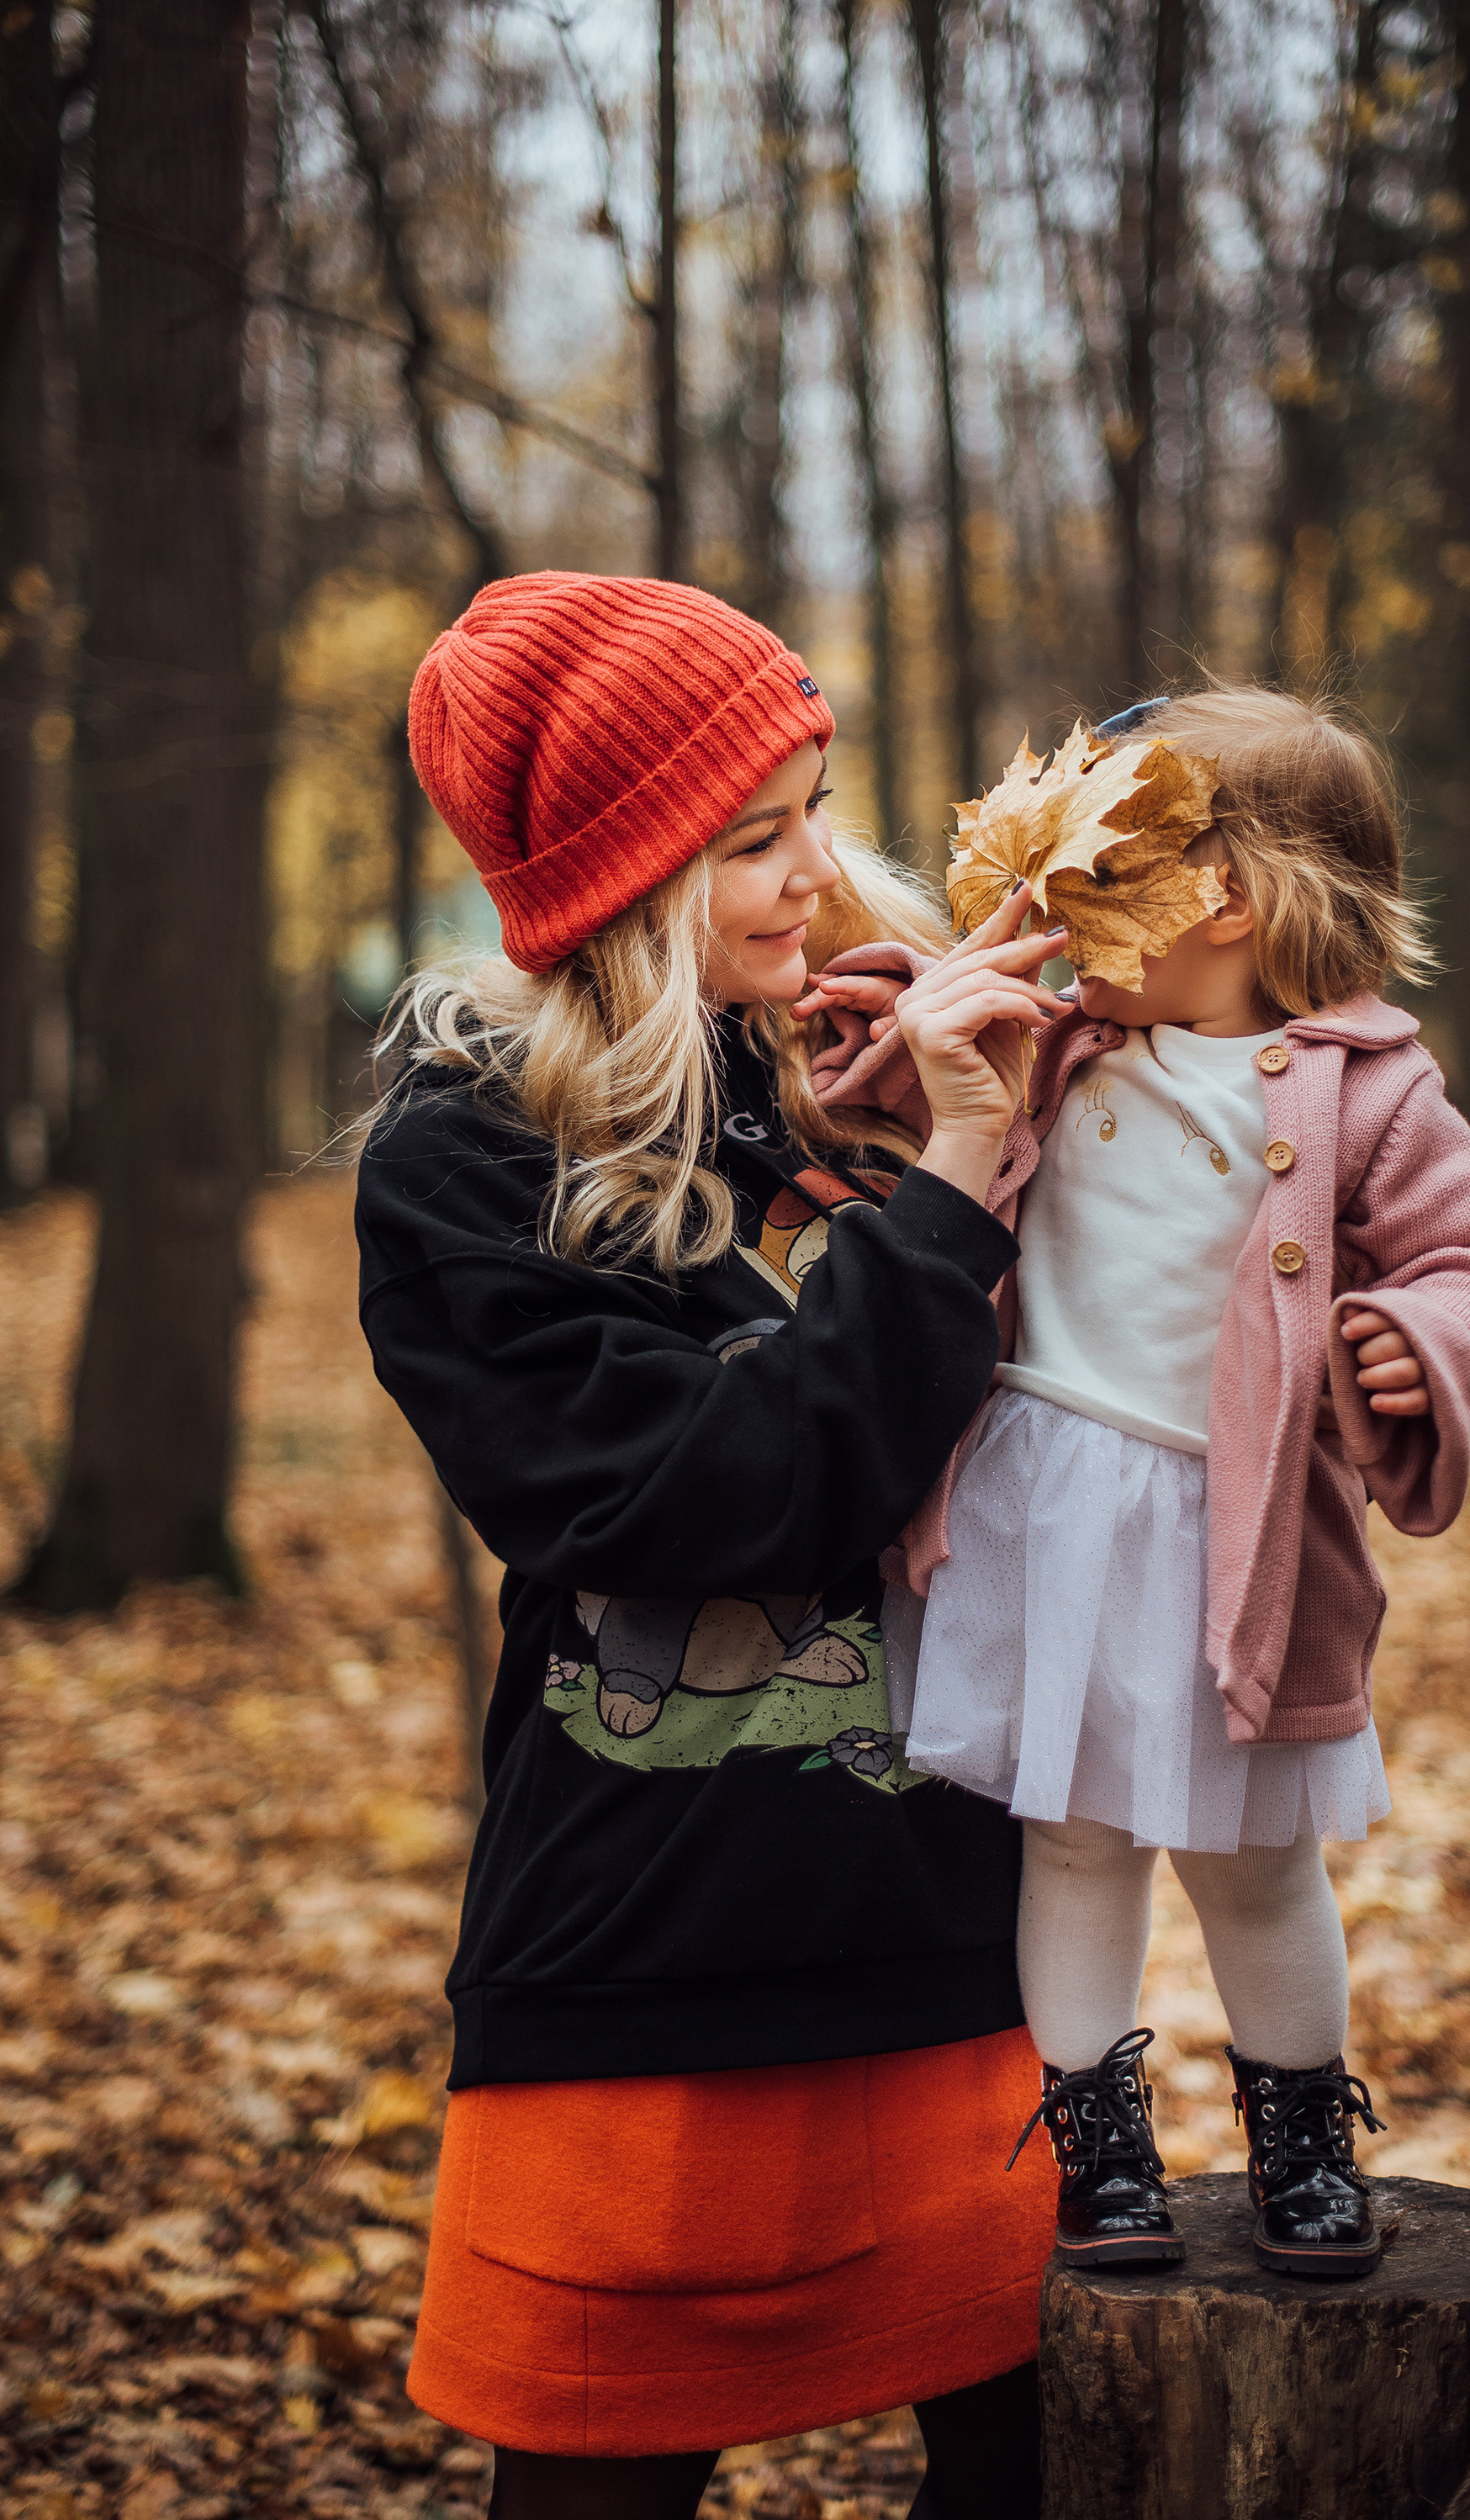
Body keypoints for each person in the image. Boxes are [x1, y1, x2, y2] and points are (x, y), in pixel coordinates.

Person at [354, 571, 1071, 2520]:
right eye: (753, 838)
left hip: (945, 1936)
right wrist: (936, 1195)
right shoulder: (467, 1165)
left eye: (818, 813)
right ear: (619, 876)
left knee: (1038, 2463)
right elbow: (700, 1490)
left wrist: (934, 1140)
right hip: (638, 1967)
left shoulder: (818, 1083)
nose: (814, 874)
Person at [801, 685, 1470, 2281]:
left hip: (1234, 1531)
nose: (1062, 909)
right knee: (1069, 1841)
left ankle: (1302, 2137)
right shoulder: (1066, 1038)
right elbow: (929, 1078)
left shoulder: (1374, 1092)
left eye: (1101, 870)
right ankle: (1097, 2137)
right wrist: (880, 1024)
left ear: (1228, 899)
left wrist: (1418, 1341)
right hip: (1040, 1509)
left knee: (1256, 1859)